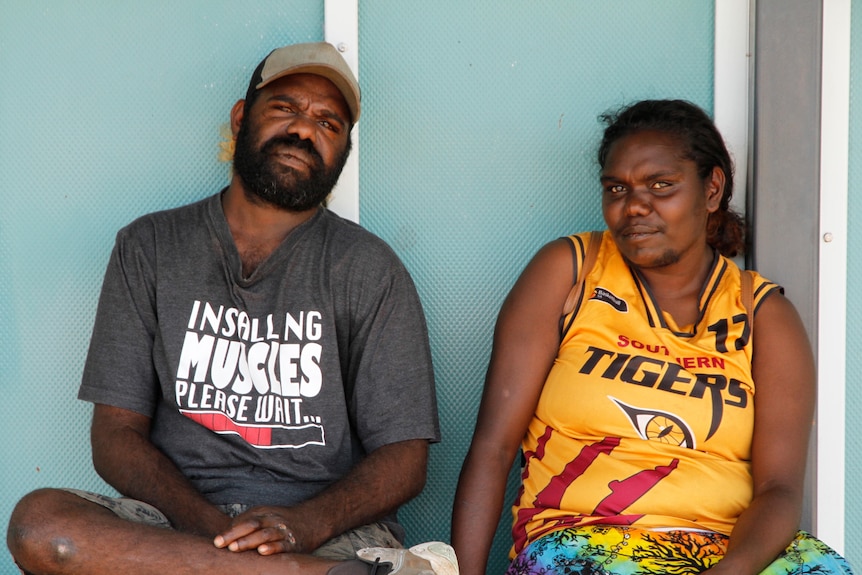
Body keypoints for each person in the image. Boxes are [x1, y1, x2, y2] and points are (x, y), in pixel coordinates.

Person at [6, 42, 458, 575]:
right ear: (243, 117)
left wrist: (304, 526)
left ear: (342, 152)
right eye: (286, 108)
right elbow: (115, 435)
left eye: (329, 124)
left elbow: (404, 462)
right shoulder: (151, 246)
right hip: (173, 525)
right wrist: (211, 529)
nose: (304, 130)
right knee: (40, 526)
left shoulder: (369, 268)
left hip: (325, 532)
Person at [451, 99, 853, 574]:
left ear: (712, 190)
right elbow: (493, 446)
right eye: (616, 188)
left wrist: (732, 571)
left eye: (661, 186)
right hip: (584, 542)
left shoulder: (762, 314)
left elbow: (779, 489)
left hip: (728, 550)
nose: (634, 205)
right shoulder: (571, 272)